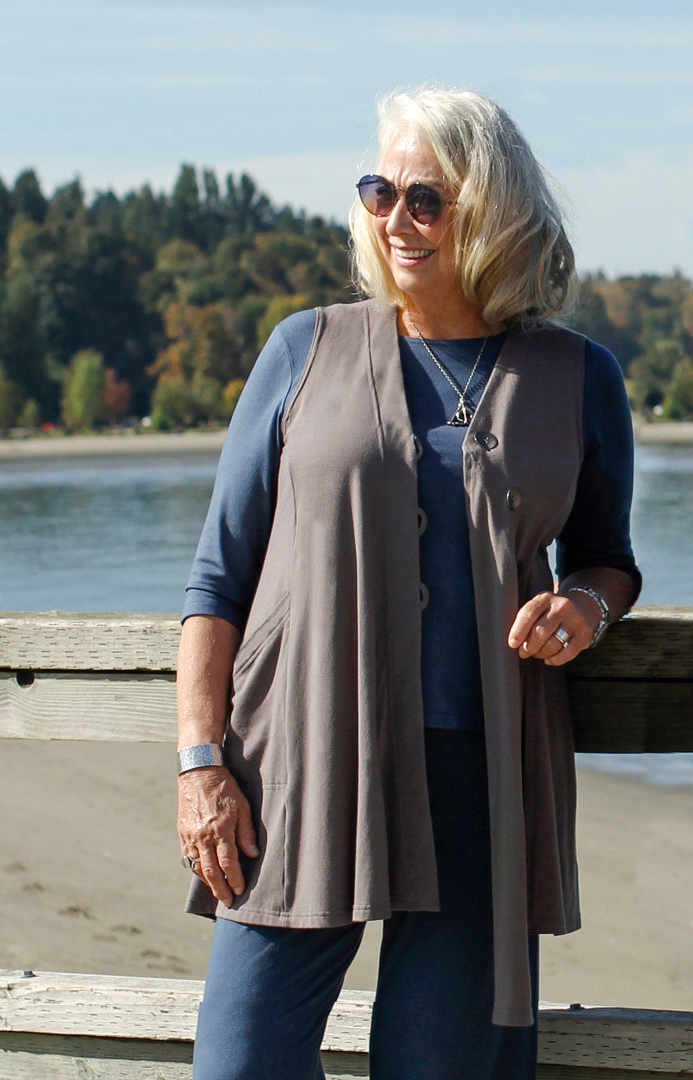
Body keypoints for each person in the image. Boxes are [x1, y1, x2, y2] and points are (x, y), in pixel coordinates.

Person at [175, 86, 640, 1080]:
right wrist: (202, 765)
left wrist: (587, 608)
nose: (397, 218)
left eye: (427, 198)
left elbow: (609, 555)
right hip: (297, 765)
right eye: (381, 191)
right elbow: (219, 576)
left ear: (495, 209)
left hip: (484, 776)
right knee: (239, 1062)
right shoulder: (304, 349)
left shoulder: (578, 375)